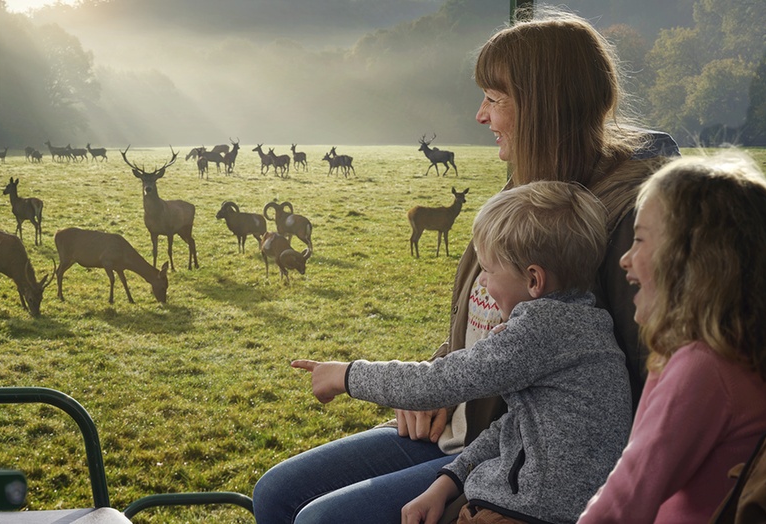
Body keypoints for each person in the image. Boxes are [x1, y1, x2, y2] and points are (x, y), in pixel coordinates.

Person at [252, 6, 678, 523]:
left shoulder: (620, 217)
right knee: (276, 491)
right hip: (454, 417)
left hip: (513, 457)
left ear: (543, 109)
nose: (480, 116)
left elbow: (634, 383)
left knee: (323, 519)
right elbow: (482, 322)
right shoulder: (526, 186)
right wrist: (438, 373)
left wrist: (422, 386)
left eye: (495, 100)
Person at [293, 181, 633, 524]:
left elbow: (435, 383)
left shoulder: (542, 331)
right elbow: (514, 428)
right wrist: (447, 483)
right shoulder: (583, 324)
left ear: (533, 280)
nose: (482, 282)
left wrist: (346, 375)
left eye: (487, 269)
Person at [578, 152, 766, 523]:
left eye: (640, 240)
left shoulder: (703, 366)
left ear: (690, 260)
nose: (625, 259)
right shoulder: (741, 355)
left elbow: (623, 502)